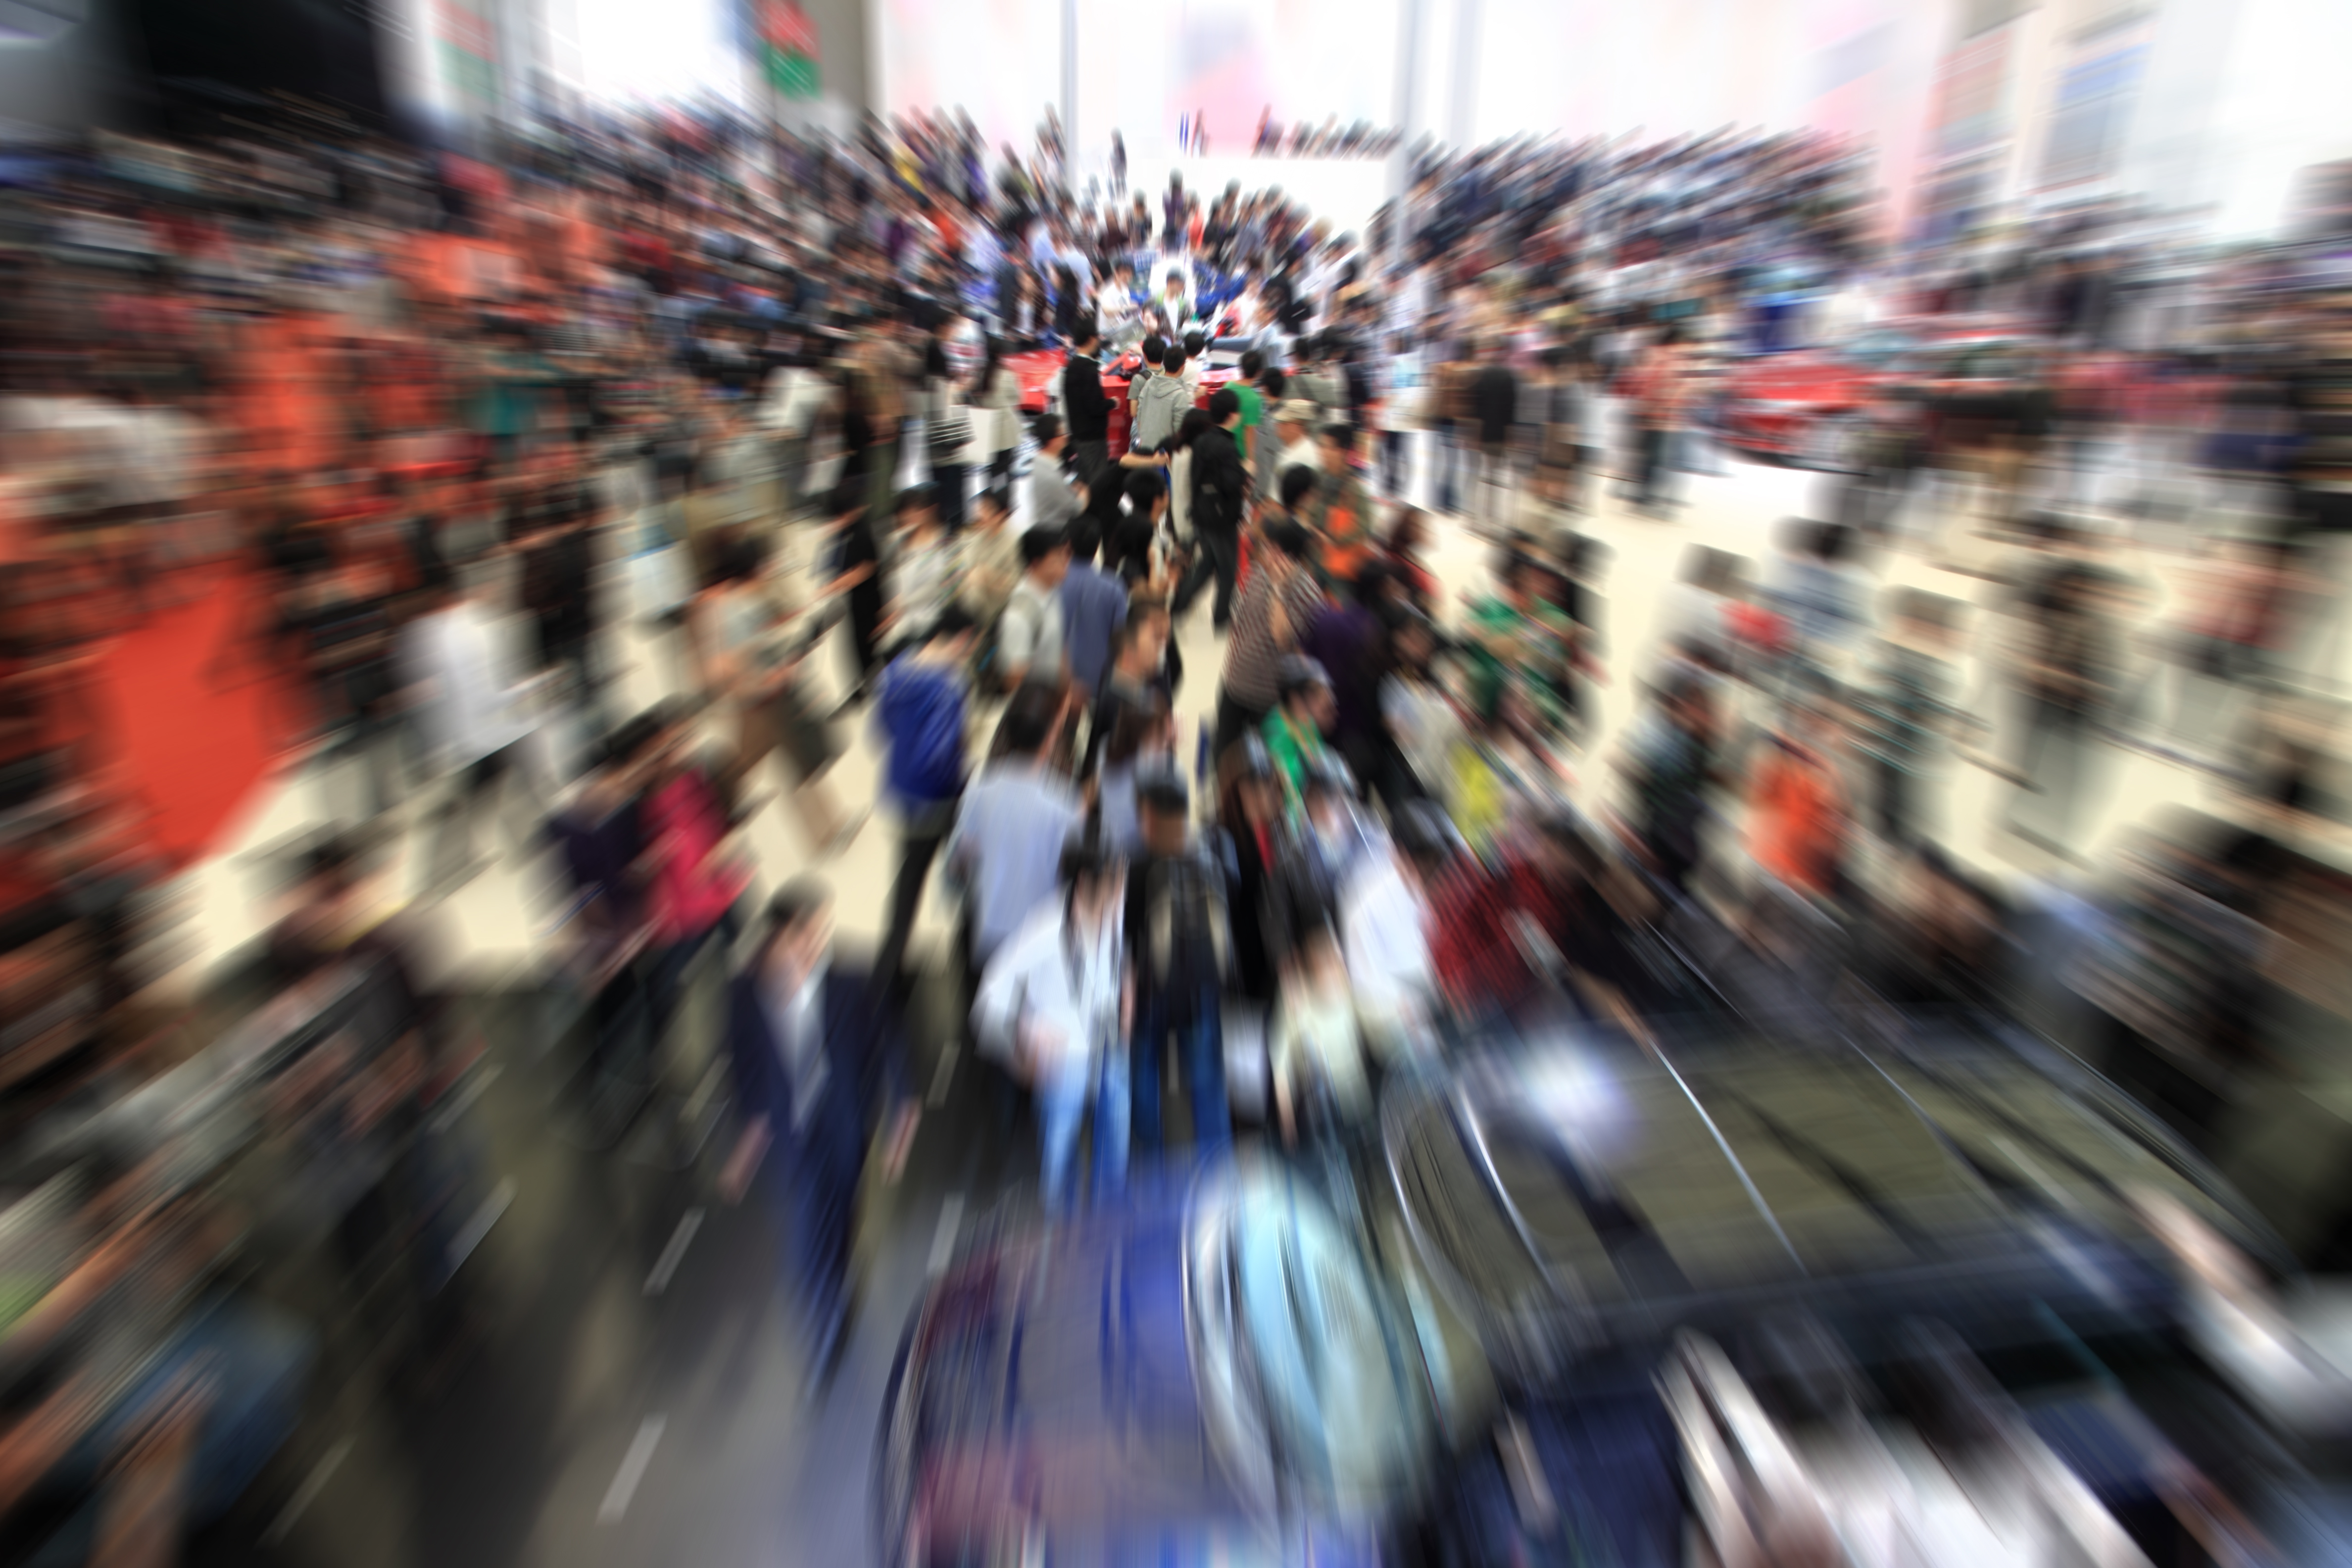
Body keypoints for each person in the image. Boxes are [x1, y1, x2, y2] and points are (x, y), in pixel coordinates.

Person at [721, 883, 919, 1375]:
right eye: (803, 934)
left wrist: (904, 1106)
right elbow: (742, 1061)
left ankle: (839, 1275)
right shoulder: (746, 991)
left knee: (843, 1213)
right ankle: (822, 1317)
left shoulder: (849, 981)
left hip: (845, 1121)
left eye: (818, 932)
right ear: (778, 936)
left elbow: (888, 1041)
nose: (814, 944)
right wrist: (750, 1130)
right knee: (806, 1225)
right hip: (789, 1131)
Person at [973, 839, 1131, 1214]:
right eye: (1114, 883)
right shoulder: (1044, 931)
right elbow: (989, 999)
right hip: (1065, 1062)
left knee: (1116, 1149)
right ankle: (1063, 1226)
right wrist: (1026, 1038)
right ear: (1085, 883)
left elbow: (1118, 962)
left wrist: (1127, 991)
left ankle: (1110, 1219)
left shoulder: (1116, 915)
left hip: (1111, 1049)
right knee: (1060, 1160)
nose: (1121, 892)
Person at [398, 570, 545, 889]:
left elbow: (425, 694)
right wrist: (523, 693)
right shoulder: (475, 627)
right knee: (504, 787)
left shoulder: (425, 633)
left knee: (492, 790)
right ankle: (454, 862)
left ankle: (451, 863)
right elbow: (490, 684)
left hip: (478, 733)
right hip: (494, 729)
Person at [1127, 771, 1233, 1164]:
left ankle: (1150, 1159)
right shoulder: (1214, 849)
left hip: (1150, 992)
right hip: (1201, 989)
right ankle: (1217, 1161)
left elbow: (1125, 934)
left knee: (1144, 1070)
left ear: (1148, 815)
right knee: (1207, 1079)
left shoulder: (1137, 864)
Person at [946, 687, 1084, 986]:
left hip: (990, 930)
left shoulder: (979, 789)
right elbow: (1072, 871)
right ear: (1051, 740)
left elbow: (961, 860)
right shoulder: (1065, 802)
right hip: (1039, 933)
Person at [874, 606, 979, 990]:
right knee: (965, 879)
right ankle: (969, 967)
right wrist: (965, 781)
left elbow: (881, 729)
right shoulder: (949, 685)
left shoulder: (894, 673)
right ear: (962, 639)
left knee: (909, 881)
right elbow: (942, 753)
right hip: (942, 799)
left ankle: (889, 969)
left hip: (903, 792)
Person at [1213, 511, 1325, 760]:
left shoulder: (1309, 593)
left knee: (1265, 764)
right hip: (1235, 682)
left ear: (1286, 554)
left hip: (1269, 697)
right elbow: (1240, 623)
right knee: (1224, 755)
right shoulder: (1257, 573)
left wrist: (1278, 589)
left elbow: (1282, 638)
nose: (1262, 551)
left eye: (1269, 547)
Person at [1271, 920, 1366, 1146]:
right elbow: (1280, 1064)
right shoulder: (1295, 1001)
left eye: (1335, 961)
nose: (1336, 970)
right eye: (1326, 964)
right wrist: (1288, 1124)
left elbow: (1370, 1013)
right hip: (1323, 1104)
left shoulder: (1348, 984)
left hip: (1356, 1093)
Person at [1173, 388, 1249, 629]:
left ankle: (1179, 606)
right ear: (1232, 415)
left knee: (1207, 565)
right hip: (1222, 518)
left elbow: (1196, 479)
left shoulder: (1202, 441)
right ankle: (1221, 617)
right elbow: (1231, 484)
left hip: (1203, 514)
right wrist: (1244, 473)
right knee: (1227, 570)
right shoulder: (1227, 446)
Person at [883, 484, 961, 653]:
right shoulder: (897, 542)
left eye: (917, 510)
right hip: (900, 622)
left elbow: (944, 589)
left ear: (931, 510)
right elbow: (891, 580)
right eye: (906, 511)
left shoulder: (946, 544)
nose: (909, 516)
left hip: (931, 621)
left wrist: (901, 605)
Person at [1060, 518, 1130, 698]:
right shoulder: (1114, 586)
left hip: (1057, 682)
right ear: (1097, 547)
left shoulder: (1052, 585)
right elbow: (1121, 636)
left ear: (1066, 546)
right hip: (1100, 682)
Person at [997, 524, 1071, 692]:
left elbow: (1059, 648)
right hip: (1036, 702)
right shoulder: (1019, 614)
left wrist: (1067, 689)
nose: (1066, 563)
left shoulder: (1053, 592)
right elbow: (1014, 679)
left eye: (1066, 555)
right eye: (1058, 558)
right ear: (1036, 563)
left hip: (1054, 695)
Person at [1302, 420, 1373, 588]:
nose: (1321, 452)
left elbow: (1364, 526)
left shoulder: (1354, 489)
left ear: (1342, 451)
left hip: (1339, 570)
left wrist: (1333, 539)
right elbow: (1307, 510)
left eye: (1326, 447)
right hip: (1315, 560)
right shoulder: (1317, 478)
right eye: (1320, 446)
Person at [1263, 654, 1336, 808]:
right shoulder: (1276, 729)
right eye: (1314, 693)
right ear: (1295, 697)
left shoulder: (1307, 721)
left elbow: (1320, 755)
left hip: (1317, 797)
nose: (1325, 698)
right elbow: (1288, 787)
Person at [1061, 318, 1114, 482]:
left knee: (1085, 479)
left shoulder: (1071, 367)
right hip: (1093, 437)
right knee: (1098, 481)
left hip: (1078, 435)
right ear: (1092, 339)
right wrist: (1112, 403)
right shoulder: (1089, 370)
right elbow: (1095, 406)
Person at [1027, 412, 1085, 536]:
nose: (1066, 437)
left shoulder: (1041, 462)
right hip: (1056, 532)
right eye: (1062, 433)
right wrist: (1084, 494)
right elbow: (1075, 509)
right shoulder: (1051, 475)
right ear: (1052, 440)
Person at [1130, 342, 1194, 453]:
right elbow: (1180, 430)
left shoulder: (1149, 384)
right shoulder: (1179, 394)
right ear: (1183, 366)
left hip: (1145, 448)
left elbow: (1139, 417)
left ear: (1164, 362)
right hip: (1165, 452)